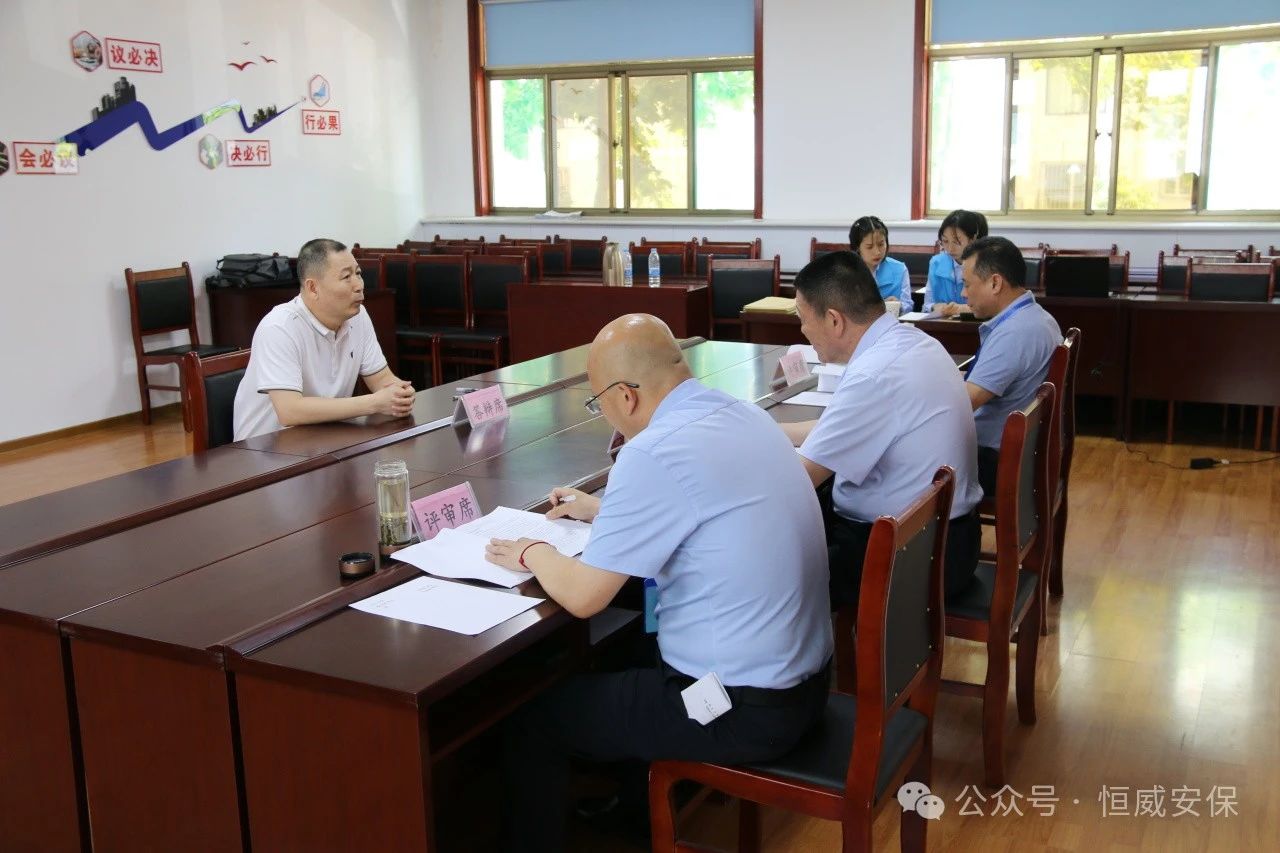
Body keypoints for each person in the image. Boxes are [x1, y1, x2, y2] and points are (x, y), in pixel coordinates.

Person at [484, 313, 833, 851]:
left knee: (533, 720)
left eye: (597, 403)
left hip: (738, 710)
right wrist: (605, 512)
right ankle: (639, 813)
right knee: (630, 645)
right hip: (804, 687)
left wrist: (533, 551)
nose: (604, 416)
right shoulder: (742, 413)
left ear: (626, 396)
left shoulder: (652, 450)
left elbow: (583, 597)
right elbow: (706, 510)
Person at [780, 251, 983, 606]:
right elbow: (832, 430)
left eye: (803, 318)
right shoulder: (914, 343)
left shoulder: (874, 374)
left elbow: (800, 479)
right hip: (944, 541)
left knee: (773, 573)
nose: (802, 330)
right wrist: (768, 430)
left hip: (908, 558)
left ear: (834, 320)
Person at [232, 238, 415, 441]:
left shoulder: (358, 317)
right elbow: (290, 411)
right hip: (265, 450)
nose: (359, 285)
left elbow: (381, 379)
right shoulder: (279, 327)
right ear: (313, 288)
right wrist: (374, 403)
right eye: (346, 277)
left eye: (358, 273)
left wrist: (399, 393)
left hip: (323, 439)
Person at [959, 236, 1063, 496]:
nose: (963, 294)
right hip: (1020, 451)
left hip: (994, 459)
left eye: (967, 284)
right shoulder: (1038, 317)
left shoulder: (1015, 333)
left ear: (995, 283)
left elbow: (963, 403)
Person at [924, 209, 989, 316]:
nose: (950, 248)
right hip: (943, 322)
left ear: (972, 239)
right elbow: (927, 305)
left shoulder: (986, 264)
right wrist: (934, 307)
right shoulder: (936, 263)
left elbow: (992, 308)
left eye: (957, 242)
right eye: (945, 241)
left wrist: (963, 309)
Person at [850, 215, 912, 313]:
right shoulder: (846, 271)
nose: (877, 252)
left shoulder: (899, 269)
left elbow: (908, 306)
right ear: (857, 247)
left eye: (881, 244)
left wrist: (899, 306)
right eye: (869, 247)